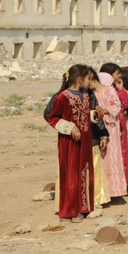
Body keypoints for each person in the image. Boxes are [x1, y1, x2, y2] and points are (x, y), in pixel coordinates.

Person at [47, 65, 96, 222]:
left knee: (84, 174)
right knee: (70, 175)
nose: (90, 82)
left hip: (85, 142)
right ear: (80, 79)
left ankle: (82, 208)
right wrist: (70, 126)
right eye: (88, 79)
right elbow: (52, 118)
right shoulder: (63, 97)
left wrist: (97, 114)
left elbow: (85, 116)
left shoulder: (86, 96)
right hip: (69, 144)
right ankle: (68, 211)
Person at [96, 71, 128, 198]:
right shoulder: (93, 93)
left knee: (112, 160)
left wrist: (105, 111)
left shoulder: (110, 90)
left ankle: (115, 191)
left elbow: (120, 105)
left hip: (112, 129)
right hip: (100, 128)